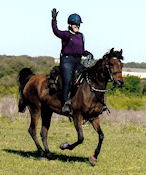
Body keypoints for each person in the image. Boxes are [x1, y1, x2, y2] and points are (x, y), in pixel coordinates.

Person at [51, 8, 93, 114]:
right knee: (68, 79)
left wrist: (88, 53)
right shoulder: (66, 34)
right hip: (67, 61)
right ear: (70, 25)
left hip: (78, 61)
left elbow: (81, 50)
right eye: (75, 25)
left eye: (78, 25)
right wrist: (54, 19)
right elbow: (56, 31)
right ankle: (65, 103)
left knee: (86, 77)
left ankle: (81, 100)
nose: (77, 26)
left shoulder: (80, 36)